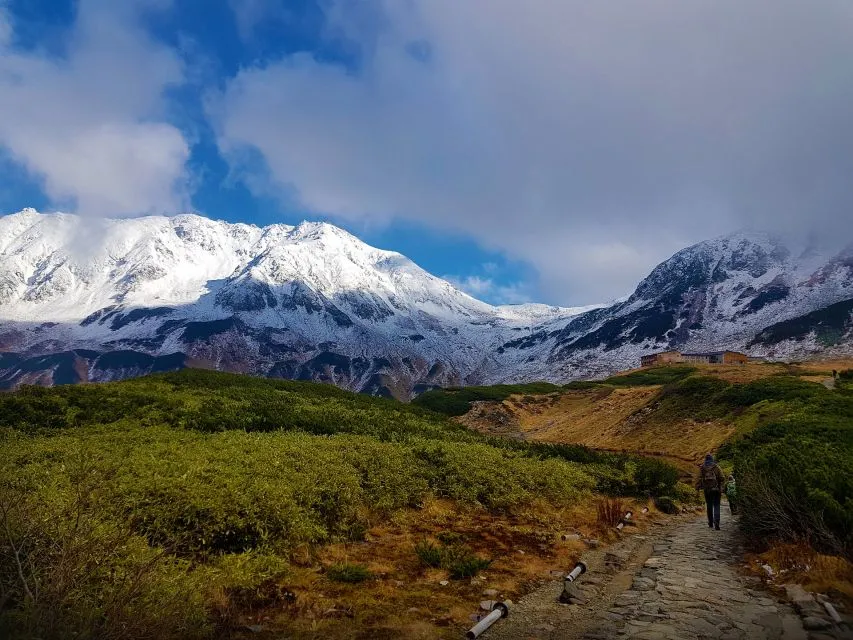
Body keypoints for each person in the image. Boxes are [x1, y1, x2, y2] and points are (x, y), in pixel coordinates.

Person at [695, 453, 725, 530]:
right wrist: (721, 488)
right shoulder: (717, 467)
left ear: (706, 459)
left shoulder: (702, 468)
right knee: (717, 505)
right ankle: (717, 522)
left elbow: (698, 478)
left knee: (709, 506)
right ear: (712, 459)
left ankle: (711, 523)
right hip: (716, 490)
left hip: (707, 490)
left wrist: (697, 488)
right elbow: (722, 478)